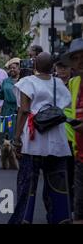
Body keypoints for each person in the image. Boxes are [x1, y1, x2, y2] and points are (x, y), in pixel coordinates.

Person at [9, 52, 72, 224]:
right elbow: (66, 103)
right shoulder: (58, 83)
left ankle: (23, 219)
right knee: (57, 187)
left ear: (34, 65)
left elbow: (24, 110)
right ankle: (60, 219)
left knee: (27, 186)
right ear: (52, 67)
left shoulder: (28, 82)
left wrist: (16, 139)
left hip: (34, 141)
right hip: (57, 142)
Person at [60, 38, 83, 224]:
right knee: (78, 212)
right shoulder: (74, 83)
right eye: (76, 58)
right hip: (79, 155)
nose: (80, 61)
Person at [0, 58, 21, 142]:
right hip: (6, 111)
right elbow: (1, 94)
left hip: (17, 111)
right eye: (10, 68)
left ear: (19, 68)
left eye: (14, 68)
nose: (12, 70)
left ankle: (15, 151)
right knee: (2, 131)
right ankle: (4, 150)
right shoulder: (6, 81)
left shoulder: (23, 81)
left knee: (14, 132)